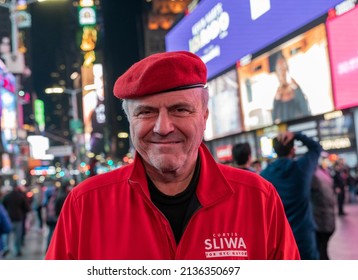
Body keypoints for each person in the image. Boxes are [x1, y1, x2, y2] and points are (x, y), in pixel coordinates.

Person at [46, 51, 299, 260]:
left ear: (204, 117)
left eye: (180, 109)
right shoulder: (85, 205)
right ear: (130, 122)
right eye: (146, 112)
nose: (163, 127)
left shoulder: (259, 199)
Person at [261, 131, 322, 259]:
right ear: (293, 150)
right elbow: (316, 147)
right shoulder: (301, 168)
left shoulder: (264, 175)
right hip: (304, 234)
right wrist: (296, 135)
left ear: (275, 151)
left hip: (280, 237)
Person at [271, 53, 311, 124]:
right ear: (276, 73)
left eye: (284, 67)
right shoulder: (277, 96)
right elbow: (274, 121)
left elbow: (307, 113)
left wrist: (297, 90)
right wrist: (276, 101)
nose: (283, 72)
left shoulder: (296, 89)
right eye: (280, 69)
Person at [1, 182, 30, 257]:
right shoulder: (20, 196)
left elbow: (2, 207)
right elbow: (26, 207)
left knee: (7, 235)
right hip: (18, 218)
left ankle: (6, 248)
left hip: (8, 218)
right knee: (18, 236)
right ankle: (17, 250)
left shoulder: (6, 196)